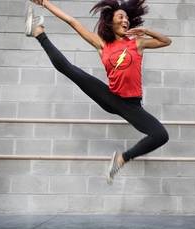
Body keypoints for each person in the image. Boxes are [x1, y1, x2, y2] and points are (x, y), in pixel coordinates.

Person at [25, 0, 171, 184]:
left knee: (161, 135)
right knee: (70, 70)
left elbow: (166, 41)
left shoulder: (137, 43)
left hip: (130, 105)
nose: (125, 20)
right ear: (111, 22)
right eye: (121, 17)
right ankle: (38, 33)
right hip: (110, 97)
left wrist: (147, 31)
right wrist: (45, 3)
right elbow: (72, 21)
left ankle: (122, 159)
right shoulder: (103, 45)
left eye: (127, 18)